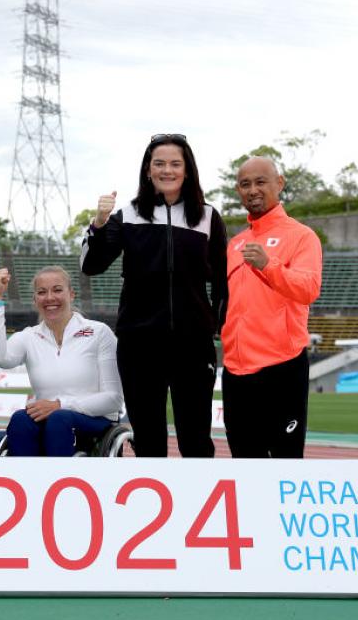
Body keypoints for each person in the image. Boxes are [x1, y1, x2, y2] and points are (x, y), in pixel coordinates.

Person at [80, 133, 228, 458]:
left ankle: (199, 504)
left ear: (187, 170)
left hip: (193, 346)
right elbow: (92, 265)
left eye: (176, 163)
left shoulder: (207, 217)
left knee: (196, 439)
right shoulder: (128, 215)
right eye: (159, 163)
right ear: (148, 170)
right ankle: (152, 506)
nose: (167, 170)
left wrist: (216, 327)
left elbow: (222, 281)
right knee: (148, 440)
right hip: (140, 345)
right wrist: (99, 224)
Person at [221, 156, 322, 458]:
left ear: (280, 183)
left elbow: (308, 289)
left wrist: (268, 265)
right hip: (236, 372)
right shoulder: (235, 244)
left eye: (261, 182)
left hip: (281, 367)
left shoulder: (302, 236)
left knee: (283, 465)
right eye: (245, 184)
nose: (252, 190)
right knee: (244, 465)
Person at [0, 265, 123, 456]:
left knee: (59, 419)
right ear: (35, 300)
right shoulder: (29, 337)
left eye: (57, 290)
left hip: (94, 419)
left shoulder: (98, 332)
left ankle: (60, 481)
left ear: (71, 294)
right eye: (42, 292)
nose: (50, 297)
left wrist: (60, 405)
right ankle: (25, 481)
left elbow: (113, 400)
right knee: (20, 419)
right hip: (49, 419)